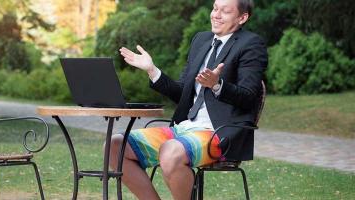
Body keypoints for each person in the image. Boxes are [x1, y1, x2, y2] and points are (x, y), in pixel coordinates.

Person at [108, 0, 268, 199]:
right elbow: (182, 93)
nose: (216, 15)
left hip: (218, 135)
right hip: (184, 129)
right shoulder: (201, 40)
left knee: (170, 151)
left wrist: (217, 85)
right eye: (215, 8)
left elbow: (249, 97)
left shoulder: (251, 44)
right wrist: (152, 70)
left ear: (242, 18)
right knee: (116, 145)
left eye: (225, 11)